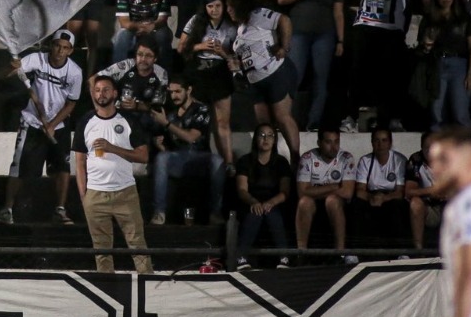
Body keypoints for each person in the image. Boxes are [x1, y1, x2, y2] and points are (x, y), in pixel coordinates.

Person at [341, 0, 419, 132]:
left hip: (390, 27)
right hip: (365, 23)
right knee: (356, 72)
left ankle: (390, 119)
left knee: (388, 77)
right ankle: (350, 117)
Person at [0, 30, 82, 225]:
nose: (60, 51)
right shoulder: (37, 59)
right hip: (32, 121)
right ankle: (7, 209)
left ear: (70, 51)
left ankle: (60, 210)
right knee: (18, 166)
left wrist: (52, 125)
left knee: (62, 166)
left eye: (65, 48)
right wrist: (11, 67)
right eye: (57, 46)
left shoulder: (75, 72)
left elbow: (71, 103)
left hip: (58, 123)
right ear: (51, 46)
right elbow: (6, 74)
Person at [72, 72, 153, 273]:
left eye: (106, 89)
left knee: (138, 245)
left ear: (115, 93)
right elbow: (79, 161)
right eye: (97, 90)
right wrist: (84, 196)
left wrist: (112, 148)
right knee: (101, 250)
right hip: (95, 195)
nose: (101, 94)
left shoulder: (128, 120)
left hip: (125, 192)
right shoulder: (86, 121)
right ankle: (107, 292)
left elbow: (143, 156)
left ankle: (148, 290)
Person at [224, 0, 301, 161]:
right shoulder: (239, 29)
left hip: (275, 72)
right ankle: (269, 161)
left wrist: (284, 46)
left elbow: (284, 20)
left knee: (282, 117)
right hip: (255, 82)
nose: (228, 11)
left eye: (230, 7)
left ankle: (296, 158)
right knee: (264, 125)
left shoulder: (258, 15)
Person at [278, 0, 346, 131]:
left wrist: (341, 40)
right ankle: (284, 121)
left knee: (321, 79)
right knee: (293, 77)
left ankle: (314, 122)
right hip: (298, 33)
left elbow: (338, 13)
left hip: (324, 36)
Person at [432, 124, 471, 317]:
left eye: (444, 159)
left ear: (470, 158)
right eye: (433, 161)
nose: (436, 168)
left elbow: (469, 272)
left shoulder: (468, 203)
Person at [149, 75, 223, 226]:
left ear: (188, 90)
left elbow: (192, 137)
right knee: (161, 157)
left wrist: (166, 124)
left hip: (199, 158)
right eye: (171, 92)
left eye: (178, 92)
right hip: (178, 158)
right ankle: (159, 212)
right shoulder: (169, 112)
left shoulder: (201, 109)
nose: (174, 96)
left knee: (218, 161)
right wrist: (159, 144)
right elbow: (168, 146)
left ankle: (215, 213)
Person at [174, 0, 238, 166]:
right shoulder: (196, 20)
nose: (214, 10)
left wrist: (222, 52)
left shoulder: (230, 24)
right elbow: (181, 48)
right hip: (198, 71)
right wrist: (200, 46)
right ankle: (193, 159)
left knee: (222, 123)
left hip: (220, 73)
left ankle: (229, 163)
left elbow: (235, 57)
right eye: (210, 6)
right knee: (196, 120)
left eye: (217, 6)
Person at [420, 0, 471, 129]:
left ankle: (468, 150)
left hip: (459, 65)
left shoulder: (464, 18)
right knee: (436, 113)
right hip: (437, 65)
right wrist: (427, 44)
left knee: (460, 113)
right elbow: (423, 48)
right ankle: (438, 150)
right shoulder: (430, 18)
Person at [295, 128, 359, 265]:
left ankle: (340, 252)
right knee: (304, 202)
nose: (333, 147)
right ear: (319, 142)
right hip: (315, 201)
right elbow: (302, 192)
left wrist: (315, 189)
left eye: (336, 142)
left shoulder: (346, 158)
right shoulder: (307, 158)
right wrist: (334, 186)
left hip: (337, 202)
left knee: (332, 200)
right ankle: (301, 253)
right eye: (328, 142)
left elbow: (347, 192)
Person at [234, 122, 293, 268]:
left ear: (275, 140)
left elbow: (285, 192)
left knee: (272, 213)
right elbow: (242, 190)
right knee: (255, 213)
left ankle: (284, 258)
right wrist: (254, 202)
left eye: (270, 136)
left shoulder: (281, 162)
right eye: (262, 135)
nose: (265, 139)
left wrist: (271, 203)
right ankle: (241, 258)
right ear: (256, 139)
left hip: (275, 202)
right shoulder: (245, 161)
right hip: (251, 202)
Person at [96, 36, 169, 143]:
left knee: (146, 121)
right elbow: (93, 80)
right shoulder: (126, 65)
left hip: (145, 117)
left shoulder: (161, 74)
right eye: (140, 55)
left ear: (155, 58)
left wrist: (137, 106)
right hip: (119, 112)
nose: (143, 59)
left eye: (148, 56)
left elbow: (158, 108)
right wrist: (99, 108)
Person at [352, 127, 411, 250]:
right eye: (377, 141)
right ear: (372, 143)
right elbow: (360, 190)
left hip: (391, 196)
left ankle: (401, 251)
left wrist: (384, 198)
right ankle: (354, 251)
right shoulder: (365, 161)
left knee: (398, 206)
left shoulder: (399, 160)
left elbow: (400, 192)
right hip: (372, 195)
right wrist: (371, 197)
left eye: (384, 140)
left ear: (390, 143)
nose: (380, 144)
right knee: (356, 205)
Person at [405, 130, 448, 253]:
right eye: (426, 147)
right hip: (426, 205)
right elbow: (409, 192)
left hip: (446, 204)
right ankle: (419, 251)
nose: (430, 151)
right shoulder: (415, 160)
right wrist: (430, 191)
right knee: (415, 203)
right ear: (421, 147)